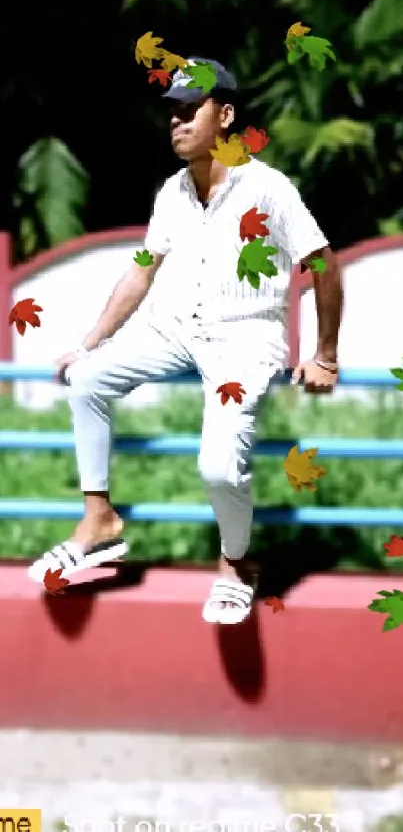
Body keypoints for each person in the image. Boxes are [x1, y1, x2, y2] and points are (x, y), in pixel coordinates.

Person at [28, 57, 343, 625]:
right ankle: (99, 522)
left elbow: (323, 263)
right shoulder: (172, 193)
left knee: (218, 467)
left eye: (188, 110)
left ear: (224, 115)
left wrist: (324, 354)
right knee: (86, 378)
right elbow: (142, 271)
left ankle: (236, 565)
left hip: (244, 338)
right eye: (170, 112)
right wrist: (91, 342)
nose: (176, 122)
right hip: (176, 326)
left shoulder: (268, 188)